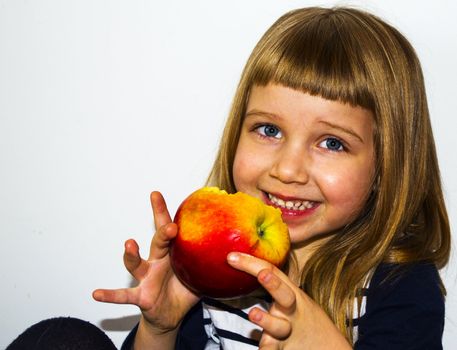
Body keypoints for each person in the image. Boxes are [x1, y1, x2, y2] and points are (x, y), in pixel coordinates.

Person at [89, 6, 451, 350]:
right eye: (269, 130)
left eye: (331, 143)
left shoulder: (399, 285)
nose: (287, 170)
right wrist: (160, 328)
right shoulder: (218, 264)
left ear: (386, 166)